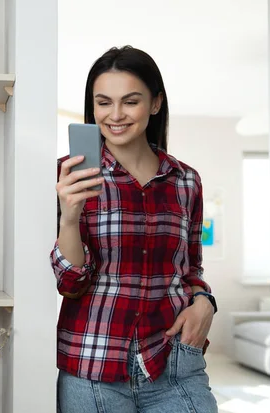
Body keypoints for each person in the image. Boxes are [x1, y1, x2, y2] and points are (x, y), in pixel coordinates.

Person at [50, 45, 218, 413]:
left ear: (155, 104)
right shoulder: (68, 175)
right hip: (93, 365)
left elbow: (191, 269)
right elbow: (70, 283)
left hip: (174, 364)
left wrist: (205, 301)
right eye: (103, 102)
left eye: (130, 101)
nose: (115, 115)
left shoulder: (186, 181)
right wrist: (69, 217)